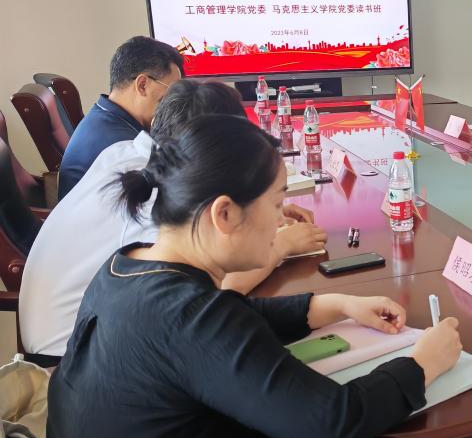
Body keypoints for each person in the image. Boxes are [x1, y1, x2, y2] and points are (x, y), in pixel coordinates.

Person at [40, 114, 471, 438]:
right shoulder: (188, 316)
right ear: (224, 214)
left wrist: (332, 306)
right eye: (278, 202)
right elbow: (332, 420)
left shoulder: (130, 268)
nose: (283, 219)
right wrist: (422, 364)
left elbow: (227, 325)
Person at [20, 80, 325, 360]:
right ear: (211, 147)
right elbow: (214, 293)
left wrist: (263, 211)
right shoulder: (159, 198)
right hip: (72, 355)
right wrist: (281, 246)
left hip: (75, 331)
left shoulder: (125, 153)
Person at [58, 36, 183, 199]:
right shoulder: (123, 147)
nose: (173, 101)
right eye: (172, 91)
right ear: (142, 85)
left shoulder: (103, 117)